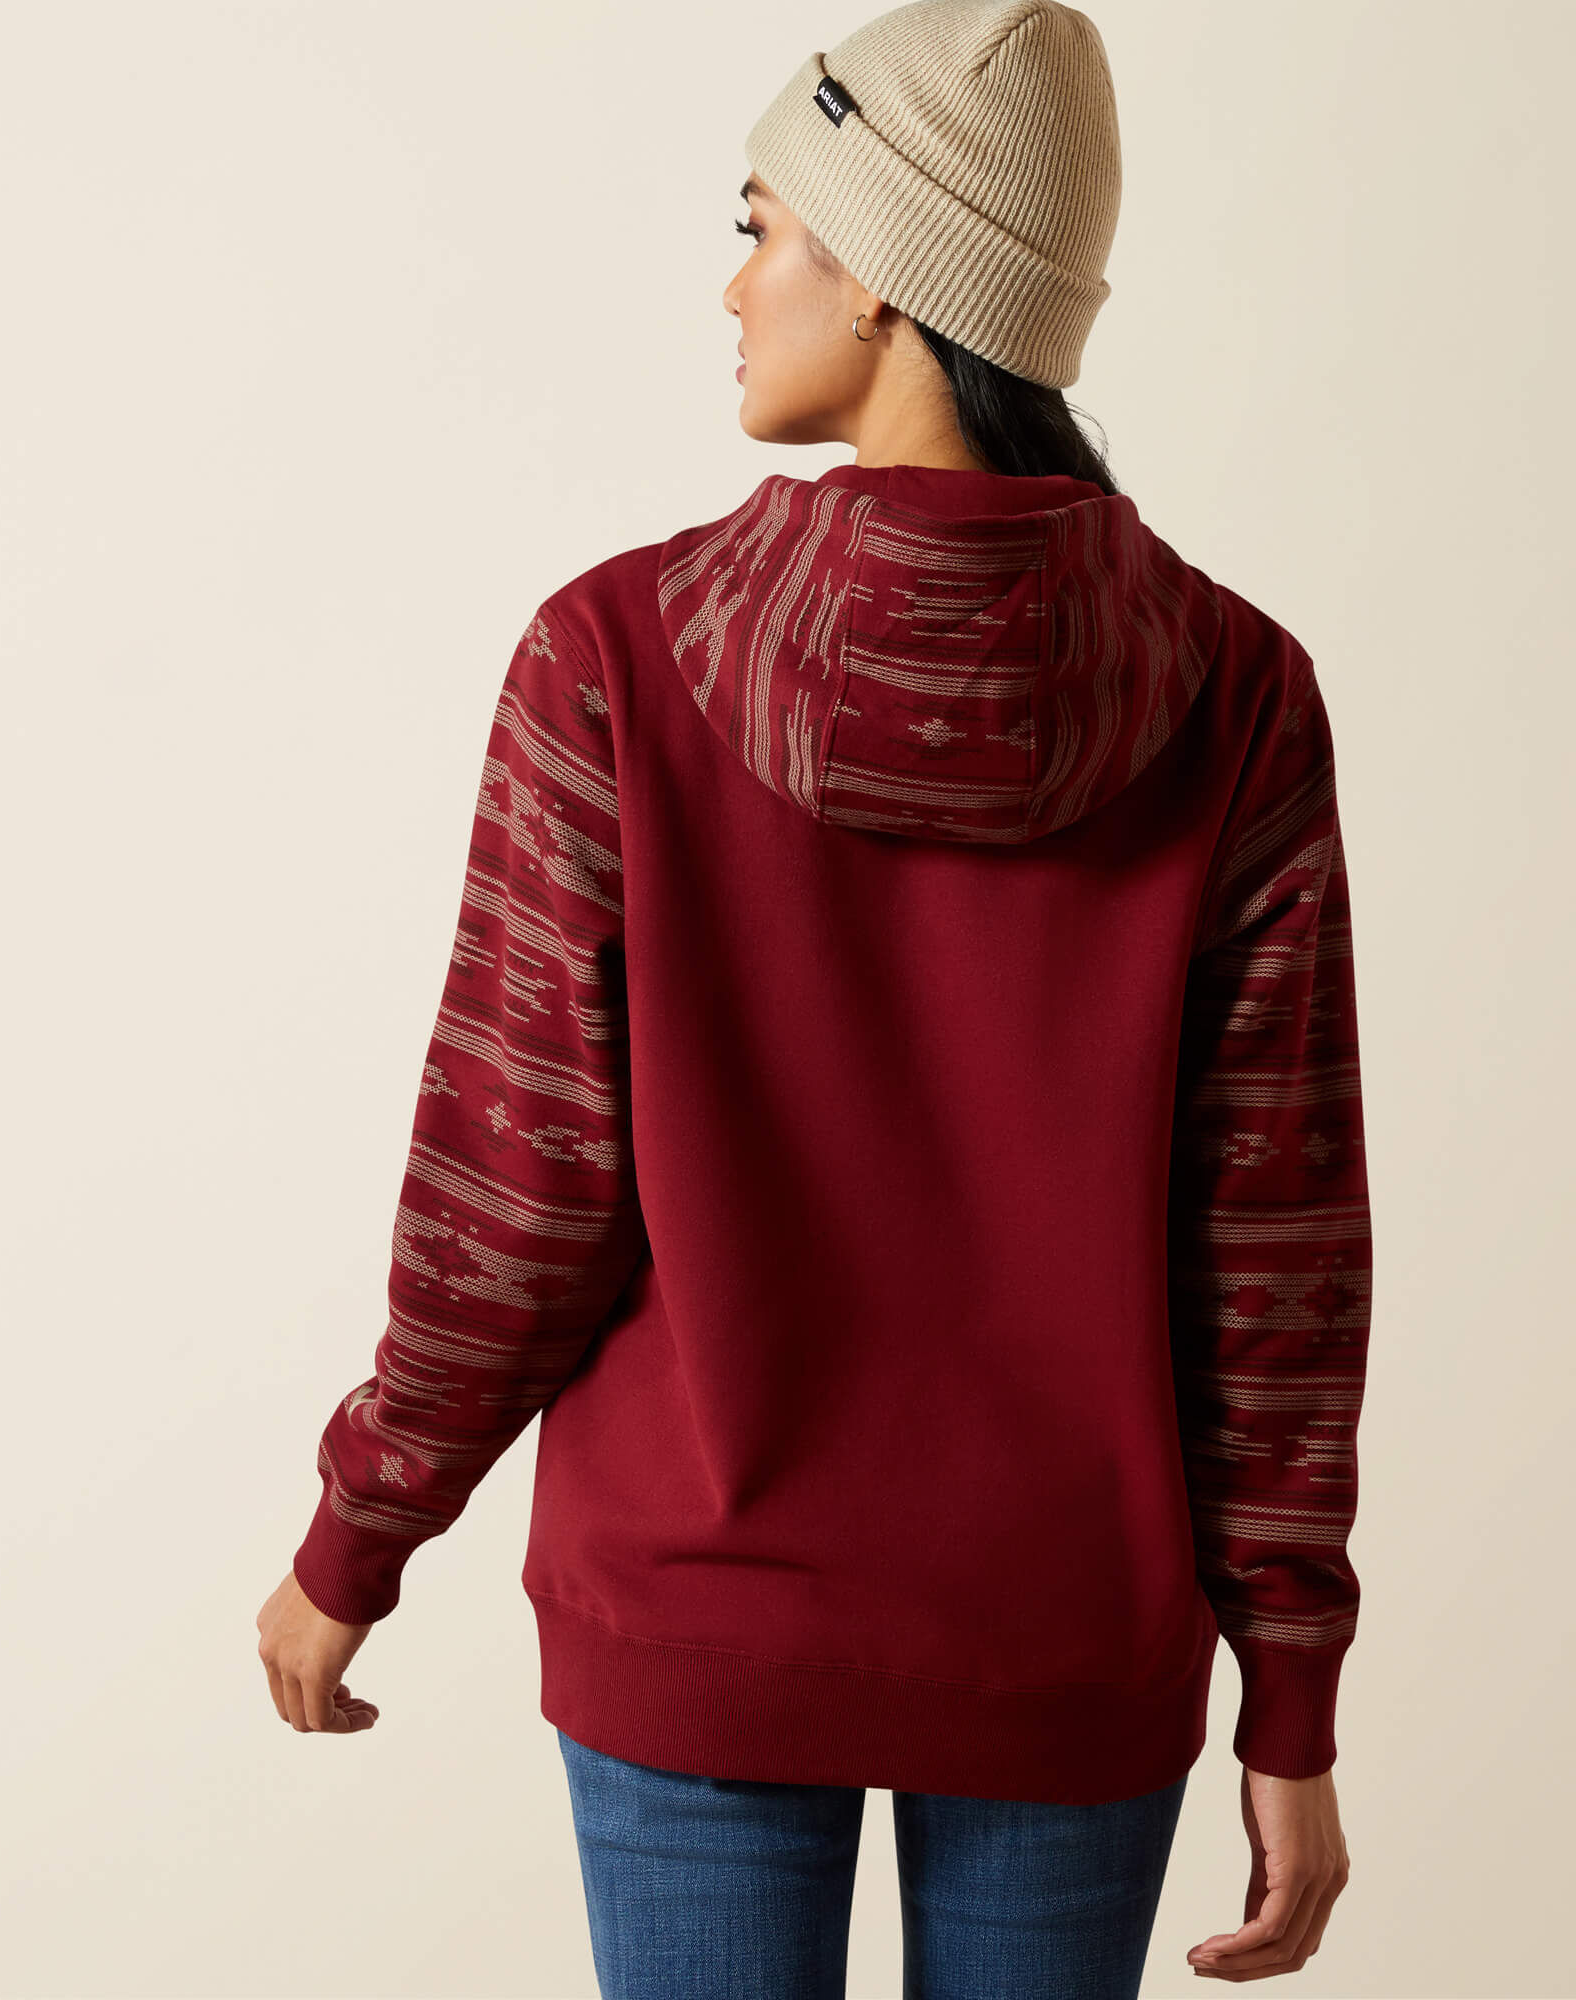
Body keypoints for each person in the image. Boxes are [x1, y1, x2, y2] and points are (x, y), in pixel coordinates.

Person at [256, 1, 1372, 1992]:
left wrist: (362, 1529)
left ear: (880, 275)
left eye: (761, 225)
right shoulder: (1235, 693)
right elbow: (1267, 1252)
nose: (733, 282)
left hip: (696, 1602)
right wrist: (1288, 1692)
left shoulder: (613, 657)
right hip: (1066, 1628)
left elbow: (521, 1189)